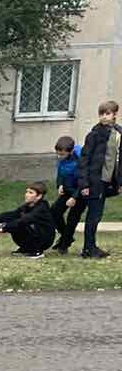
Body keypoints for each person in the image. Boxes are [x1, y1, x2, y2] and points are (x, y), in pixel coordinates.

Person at [76, 99, 121, 260]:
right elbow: (84, 160)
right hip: (96, 180)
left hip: (109, 181)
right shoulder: (94, 135)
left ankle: (92, 246)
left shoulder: (118, 133)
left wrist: (119, 182)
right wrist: (84, 184)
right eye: (101, 114)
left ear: (115, 114)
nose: (103, 117)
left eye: (107, 114)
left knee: (97, 215)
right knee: (93, 216)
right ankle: (88, 248)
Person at [0, 183, 57, 258]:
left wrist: (4, 228)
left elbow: (24, 220)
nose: (26, 195)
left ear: (39, 196)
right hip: (37, 235)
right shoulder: (28, 206)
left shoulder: (41, 208)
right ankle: (26, 248)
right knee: (14, 221)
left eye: (30, 193)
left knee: (20, 224)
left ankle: (36, 251)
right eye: (26, 192)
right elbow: (13, 214)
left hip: (44, 239)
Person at [51, 135, 84, 254]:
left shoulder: (81, 157)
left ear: (71, 151)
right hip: (67, 189)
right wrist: (60, 185)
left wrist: (75, 197)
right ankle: (67, 237)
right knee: (54, 212)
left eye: (62, 154)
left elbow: (84, 179)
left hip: (81, 191)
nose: (59, 157)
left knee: (72, 218)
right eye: (57, 154)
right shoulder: (62, 158)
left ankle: (64, 245)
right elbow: (60, 172)